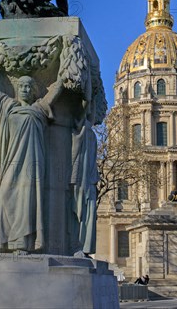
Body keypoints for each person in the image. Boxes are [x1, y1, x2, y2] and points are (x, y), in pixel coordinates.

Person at [0, 41, 64, 252]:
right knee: (5, 196)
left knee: (27, 203)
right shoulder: (8, 105)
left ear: (35, 91)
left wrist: (65, 56)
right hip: (11, 162)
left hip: (32, 165)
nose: (25, 89)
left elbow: (58, 86)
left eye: (29, 87)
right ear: (17, 90)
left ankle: (22, 244)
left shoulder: (39, 108)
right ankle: (0, 241)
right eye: (22, 86)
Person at [71, 102, 99, 256]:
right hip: (82, 181)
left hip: (88, 181)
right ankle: (79, 246)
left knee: (87, 212)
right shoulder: (84, 132)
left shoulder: (90, 134)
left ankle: (83, 247)